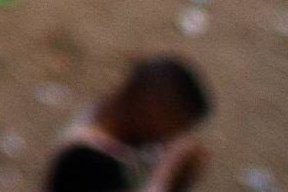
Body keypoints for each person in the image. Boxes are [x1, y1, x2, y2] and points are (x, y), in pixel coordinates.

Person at [43, 57, 213, 192]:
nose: (168, 139)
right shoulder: (82, 160)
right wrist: (166, 173)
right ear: (152, 109)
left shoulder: (110, 127)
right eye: (173, 127)